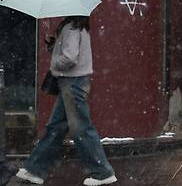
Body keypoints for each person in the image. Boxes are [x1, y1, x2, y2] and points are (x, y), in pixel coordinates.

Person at [15, 16, 117, 185]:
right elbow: (69, 52)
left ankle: (102, 172)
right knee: (56, 127)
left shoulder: (71, 28)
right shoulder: (77, 27)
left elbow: (69, 58)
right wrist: (54, 45)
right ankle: (34, 169)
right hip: (73, 83)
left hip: (72, 83)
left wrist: (54, 64)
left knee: (81, 129)